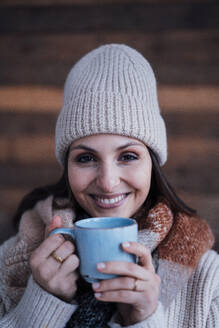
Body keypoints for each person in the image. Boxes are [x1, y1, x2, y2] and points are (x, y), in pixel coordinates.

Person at [0, 44, 218, 328]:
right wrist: (41, 303)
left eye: (128, 156)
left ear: (152, 163)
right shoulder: (10, 260)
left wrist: (146, 320)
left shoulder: (208, 280)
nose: (107, 182)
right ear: (67, 167)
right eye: (86, 158)